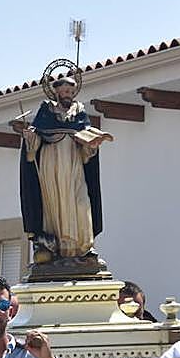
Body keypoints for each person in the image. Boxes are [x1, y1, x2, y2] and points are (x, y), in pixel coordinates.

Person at [19, 74, 109, 263]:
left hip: (75, 165)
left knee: (81, 203)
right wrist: (31, 139)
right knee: (56, 205)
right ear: (57, 92)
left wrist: (90, 146)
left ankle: (84, 247)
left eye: (71, 91)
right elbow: (36, 140)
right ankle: (57, 246)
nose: (68, 95)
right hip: (51, 166)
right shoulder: (46, 111)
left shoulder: (79, 112)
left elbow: (86, 147)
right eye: (65, 91)